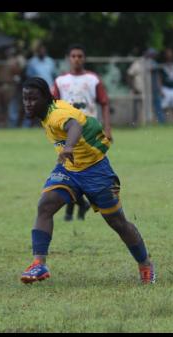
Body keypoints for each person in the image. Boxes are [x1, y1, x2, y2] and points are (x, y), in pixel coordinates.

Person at [20, 77, 155, 285]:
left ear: (46, 98)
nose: (28, 103)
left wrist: (69, 147)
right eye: (25, 99)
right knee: (45, 205)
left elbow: (74, 126)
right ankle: (39, 263)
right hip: (69, 169)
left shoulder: (56, 115)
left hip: (96, 171)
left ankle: (145, 264)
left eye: (33, 99)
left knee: (118, 223)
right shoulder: (47, 111)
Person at [52, 44, 113, 222]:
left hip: (89, 131)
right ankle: (78, 207)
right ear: (68, 58)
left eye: (80, 56)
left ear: (84, 58)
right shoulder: (60, 81)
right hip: (67, 131)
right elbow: (53, 106)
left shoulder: (93, 79)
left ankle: (77, 208)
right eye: (73, 56)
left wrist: (108, 128)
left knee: (82, 169)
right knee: (69, 167)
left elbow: (104, 103)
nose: (77, 59)